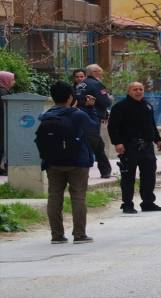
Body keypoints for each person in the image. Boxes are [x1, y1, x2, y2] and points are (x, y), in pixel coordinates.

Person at [39, 81, 100, 244]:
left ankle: (57, 235)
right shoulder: (77, 114)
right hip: (77, 161)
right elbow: (94, 127)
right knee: (78, 196)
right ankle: (79, 234)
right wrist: (91, 108)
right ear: (70, 96)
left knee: (54, 197)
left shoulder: (46, 115)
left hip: (53, 161)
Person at [108, 82, 161, 214]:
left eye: (141, 89)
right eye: (135, 89)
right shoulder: (120, 107)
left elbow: (152, 124)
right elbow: (113, 127)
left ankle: (148, 202)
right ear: (129, 91)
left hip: (147, 147)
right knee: (128, 176)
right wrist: (117, 143)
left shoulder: (147, 105)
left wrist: (158, 139)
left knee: (149, 175)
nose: (138, 92)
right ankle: (127, 204)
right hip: (129, 147)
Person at [74, 64, 113, 179]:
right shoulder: (96, 84)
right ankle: (79, 170)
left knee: (98, 144)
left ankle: (105, 170)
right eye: (100, 71)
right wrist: (110, 99)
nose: (102, 73)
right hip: (92, 117)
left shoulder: (81, 84)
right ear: (92, 73)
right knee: (92, 144)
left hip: (79, 116)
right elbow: (105, 102)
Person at [0, 71, 15, 176]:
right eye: (12, 79)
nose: (14, 82)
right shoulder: (2, 92)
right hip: (2, 123)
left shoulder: (4, 91)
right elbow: (4, 109)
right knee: (1, 145)